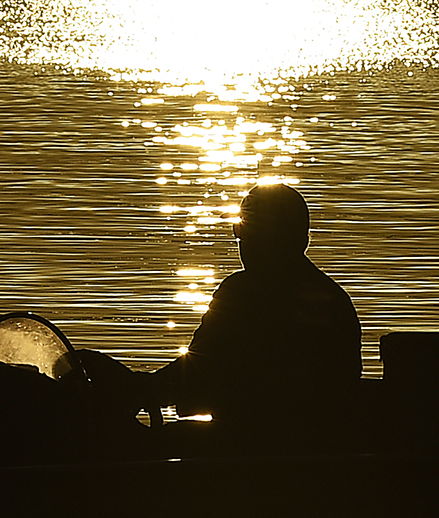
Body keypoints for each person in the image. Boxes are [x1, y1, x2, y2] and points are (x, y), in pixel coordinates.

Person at [149, 185, 362, 444]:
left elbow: (194, 372)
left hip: (249, 446)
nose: (243, 243)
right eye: (240, 233)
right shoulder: (335, 300)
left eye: (246, 232)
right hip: (322, 447)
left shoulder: (241, 294)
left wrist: (138, 390)